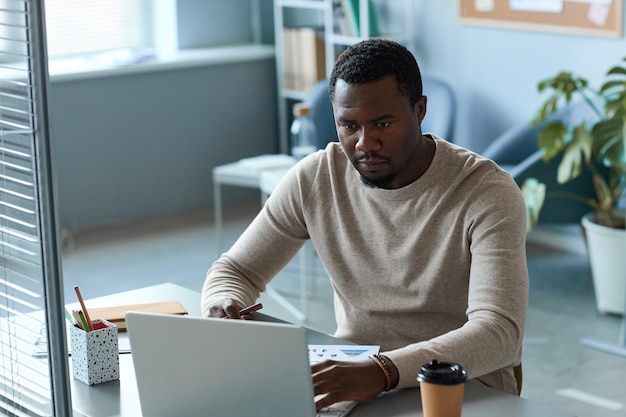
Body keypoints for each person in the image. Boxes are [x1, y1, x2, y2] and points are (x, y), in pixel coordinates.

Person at [202, 39, 528, 410]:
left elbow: (499, 332)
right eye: (349, 125)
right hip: (353, 383)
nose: (364, 143)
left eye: (383, 123)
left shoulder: (486, 192)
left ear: (420, 110)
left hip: (461, 388)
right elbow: (236, 269)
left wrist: (385, 370)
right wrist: (221, 302)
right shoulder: (315, 178)